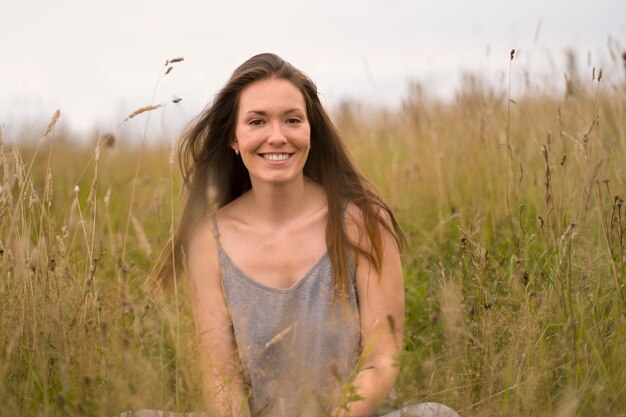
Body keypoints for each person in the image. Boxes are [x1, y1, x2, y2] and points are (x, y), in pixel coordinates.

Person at [152, 53, 459, 417]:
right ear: (234, 139)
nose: (277, 136)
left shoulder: (363, 221)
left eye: (292, 120)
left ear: (309, 131)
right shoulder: (209, 239)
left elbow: (382, 359)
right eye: (257, 121)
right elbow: (220, 379)